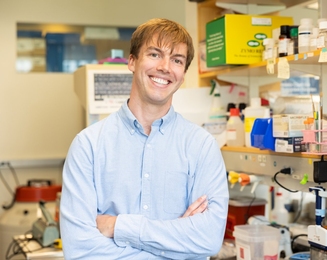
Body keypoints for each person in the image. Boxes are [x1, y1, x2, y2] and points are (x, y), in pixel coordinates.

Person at [60, 18, 229, 259]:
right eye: (155, 54)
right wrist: (176, 245)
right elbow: (80, 251)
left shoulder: (202, 146)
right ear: (132, 61)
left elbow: (209, 240)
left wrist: (117, 226)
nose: (165, 67)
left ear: (183, 74)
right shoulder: (88, 145)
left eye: (177, 60)